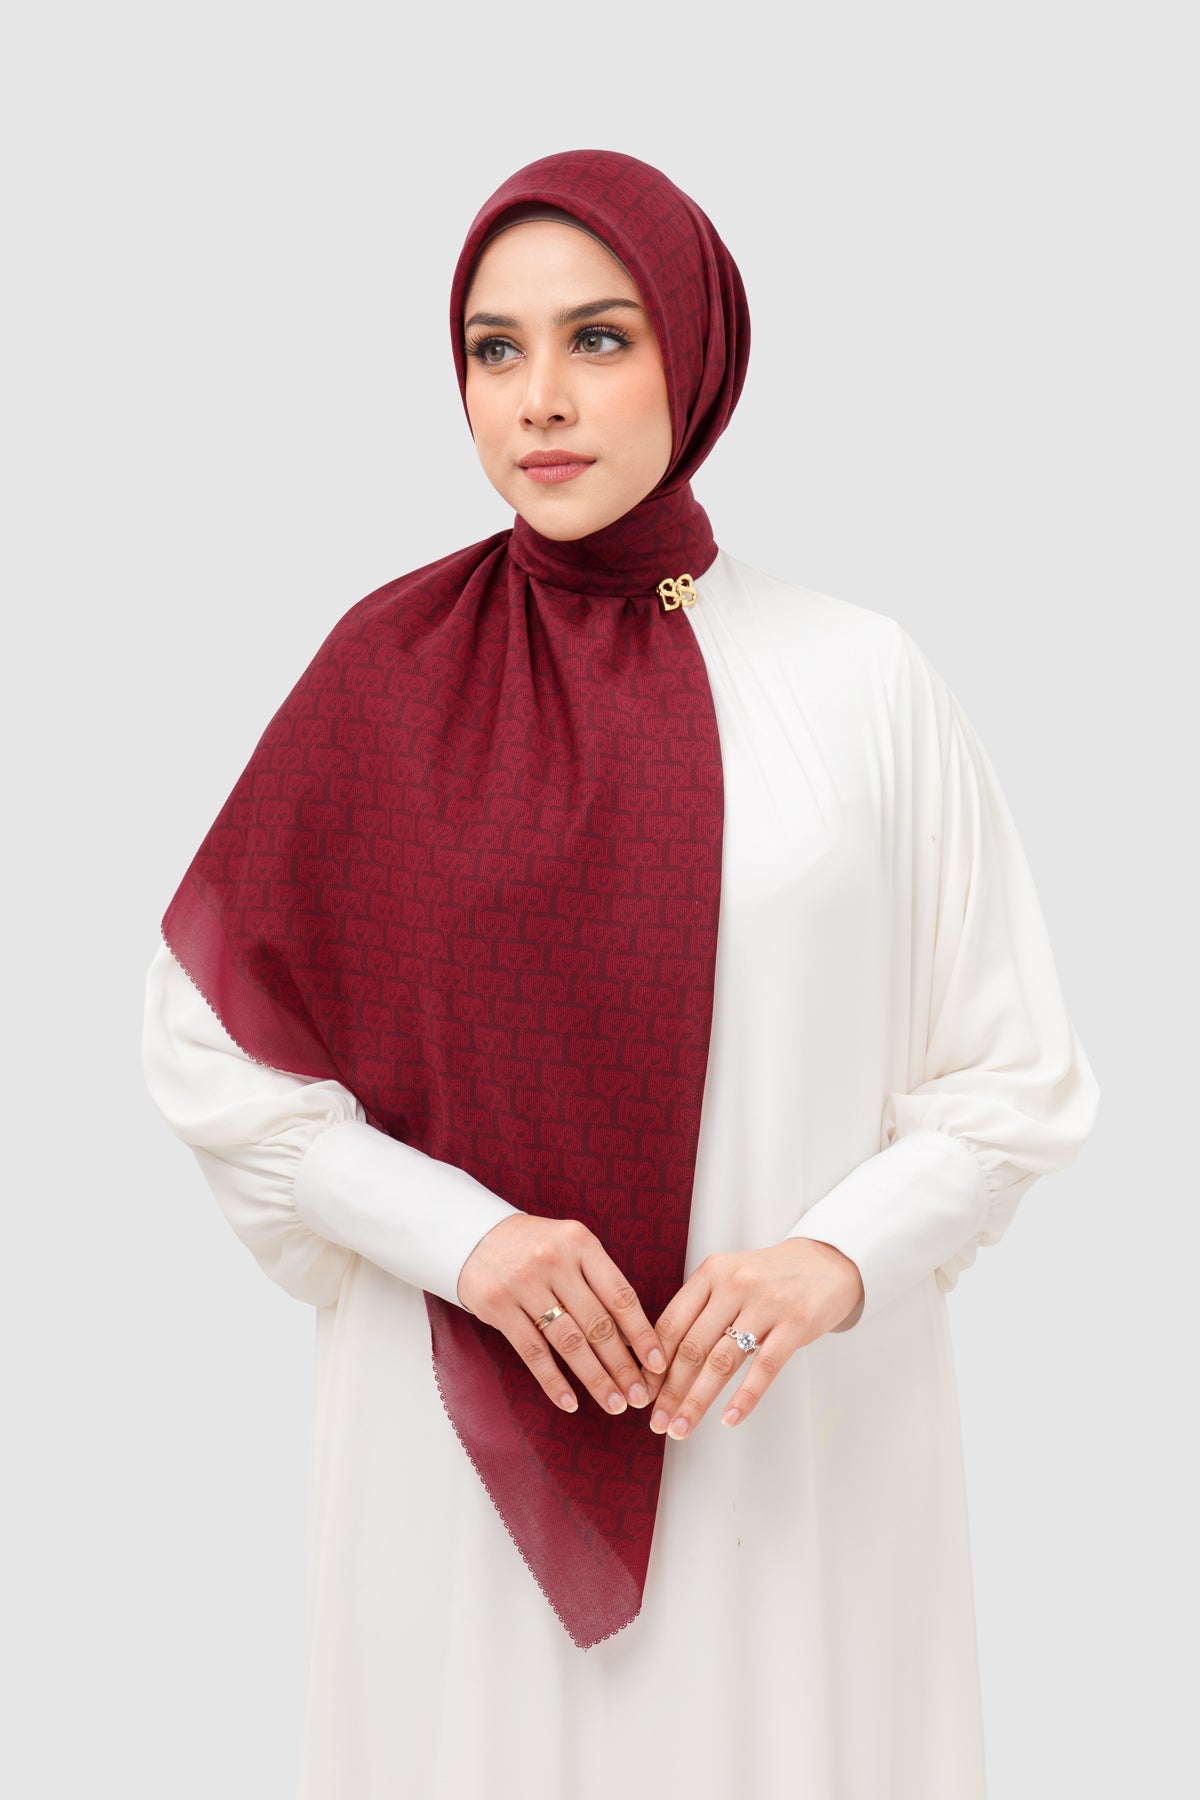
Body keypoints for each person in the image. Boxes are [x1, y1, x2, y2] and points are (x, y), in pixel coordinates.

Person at [141, 148, 1100, 1799]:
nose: (540, 399)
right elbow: (210, 1049)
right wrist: (466, 1239)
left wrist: (834, 1260)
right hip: (454, 1452)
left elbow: (1010, 1084)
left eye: (599, 337)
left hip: (787, 1443)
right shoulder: (385, 674)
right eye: (494, 349)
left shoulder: (861, 683)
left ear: (697, 352)